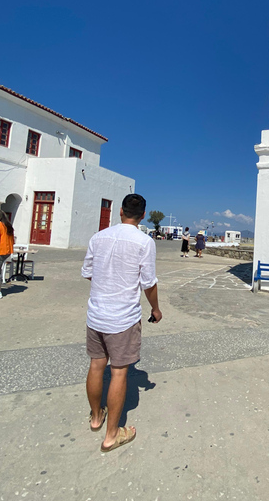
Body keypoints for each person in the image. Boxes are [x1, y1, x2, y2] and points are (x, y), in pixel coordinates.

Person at [82, 193, 162, 453]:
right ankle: (112, 436)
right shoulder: (144, 242)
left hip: (96, 314)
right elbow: (148, 283)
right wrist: (156, 309)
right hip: (122, 318)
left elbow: (88, 273)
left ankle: (96, 418)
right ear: (142, 215)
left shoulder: (98, 237)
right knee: (118, 372)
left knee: (96, 365)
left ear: (120, 211)